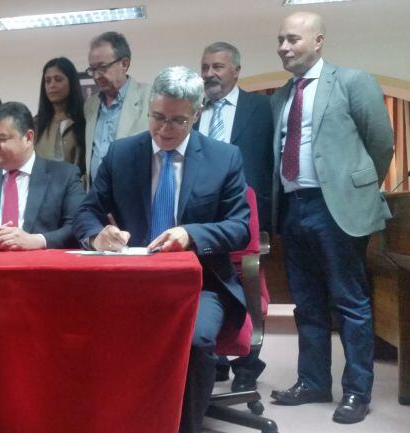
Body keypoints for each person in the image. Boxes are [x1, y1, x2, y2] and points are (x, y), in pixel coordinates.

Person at [73, 67, 250, 433]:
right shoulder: (122, 154)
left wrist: (191, 233)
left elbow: (240, 227)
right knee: (88, 333)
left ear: (196, 114)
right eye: (157, 117)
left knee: (196, 340)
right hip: (131, 281)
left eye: (177, 120)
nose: (164, 129)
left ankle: (185, 425)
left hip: (200, 282)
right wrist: (97, 235)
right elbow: (87, 211)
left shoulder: (223, 158)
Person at [268, 12, 394, 425]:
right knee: (306, 304)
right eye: (280, 40)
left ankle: (357, 392)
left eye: (293, 39)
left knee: (350, 302)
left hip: (335, 207)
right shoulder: (281, 95)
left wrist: (351, 192)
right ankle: (314, 381)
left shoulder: (353, 81)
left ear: (318, 41)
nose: (284, 47)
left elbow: (380, 143)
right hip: (293, 207)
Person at [196, 41, 274, 391]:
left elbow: (270, 161)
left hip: (247, 215)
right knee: (209, 285)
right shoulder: (193, 112)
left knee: (249, 284)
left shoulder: (262, 108)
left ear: (236, 70)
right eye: (206, 67)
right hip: (204, 219)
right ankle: (213, 361)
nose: (210, 74)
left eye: (218, 67)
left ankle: (248, 365)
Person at [0, 102, 85, 251]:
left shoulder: (64, 176)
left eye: (2, 139)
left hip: (41, 268)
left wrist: (36, 241)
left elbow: (78, 225)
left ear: (28, 138)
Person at [84, 31, 151, 184]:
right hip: (97, 197)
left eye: (102, 68)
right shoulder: (90, 105)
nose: (96, 76)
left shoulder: (149, 97)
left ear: (124, 64)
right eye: (92, 70)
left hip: (134, 194)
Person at [34, 57, 86, 176]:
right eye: (47, 81)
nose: (52, 85)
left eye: (58, 79)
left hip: (76, 191)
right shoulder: (36, 124)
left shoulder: (86, 120)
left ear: (71, 83)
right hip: (43, 191)